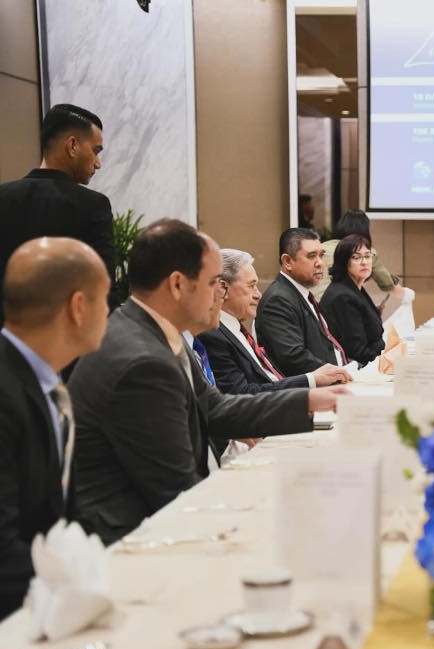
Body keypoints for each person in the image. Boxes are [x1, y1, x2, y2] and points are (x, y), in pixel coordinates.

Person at [67, 220, 347, 545]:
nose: (220, 294)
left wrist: (310, 401)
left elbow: (215, 407)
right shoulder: (142, 363)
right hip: (132, 541)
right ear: (177, 285)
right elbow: (176, 491)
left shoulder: (153, 328)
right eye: (214, 282)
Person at [0, 238, 109, 619]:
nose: (110, 313)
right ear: (78, 307)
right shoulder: (6, 392)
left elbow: (62, 515)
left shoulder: (46, 381)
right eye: (106, 299)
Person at [0, 104, 115, 323]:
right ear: (72, 146)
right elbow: (101, 287)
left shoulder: (2, 197)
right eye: (96, 151)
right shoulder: (93, 206)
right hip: (68, 347)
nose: (98, 163)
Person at [198, 248, 351, 394]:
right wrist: (311, 380)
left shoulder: (236, 328)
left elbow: (269, 380)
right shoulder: (213, 335)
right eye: (251, 286)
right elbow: (240, 393)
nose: (258, 294)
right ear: (222, 288)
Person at [256, 228, 353, 376]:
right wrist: (339, 373)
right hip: (309, 392)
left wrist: (354, 367)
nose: (320, 263)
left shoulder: (301, 293)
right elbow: (293, 358)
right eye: (312, 256)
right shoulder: (278, 300)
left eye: (321, 255)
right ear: (287, 261)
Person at [311, 209, 409, 304]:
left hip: (311, 306)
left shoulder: (322, 247)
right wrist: (407, 295)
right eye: (356, 257)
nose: (364, 261)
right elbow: (388, 284)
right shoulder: (365, 252)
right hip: (337, 307)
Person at [319, 234, 386, 366]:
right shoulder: (342, 297)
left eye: (367, 256)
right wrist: (386, 355)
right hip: (354, 370)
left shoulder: (354, 288)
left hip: (366, 364)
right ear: (344, 262)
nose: (364, 262)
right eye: (356, 257)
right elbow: (357, 352)